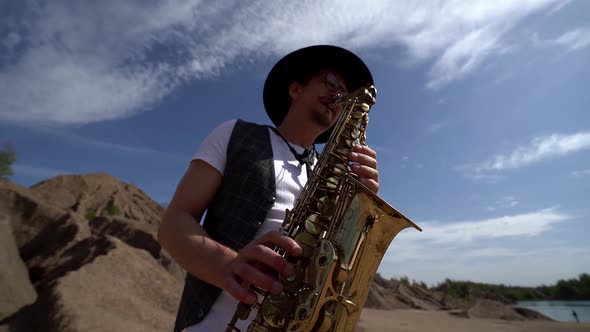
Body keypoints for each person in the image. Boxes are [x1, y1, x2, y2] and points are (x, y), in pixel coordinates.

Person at [158, 45, 381, 332]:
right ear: (295, 90)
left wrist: (363, 209)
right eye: (332, 83)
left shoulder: (339, 178)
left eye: (346, 94)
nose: (339, 96)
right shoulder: (235, 133)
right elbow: (173, 223)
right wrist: (227, 266)